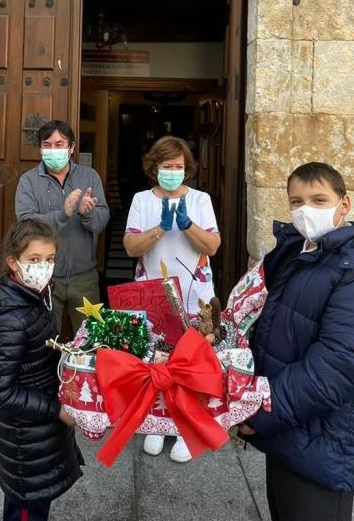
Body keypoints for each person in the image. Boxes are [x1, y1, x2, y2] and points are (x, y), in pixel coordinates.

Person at [238, 162, 354, 521]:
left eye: (319, 199)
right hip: (290, 428)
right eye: (296, 201)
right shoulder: (298, 255)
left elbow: (343, 365)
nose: (306, 210)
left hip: (325, 439)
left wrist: (260, 410)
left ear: (344, 204)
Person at [122, 135, 221, 463]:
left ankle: (184, 426)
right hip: (154, 293)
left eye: (179, 167)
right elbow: (130, 247)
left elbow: (212, 246)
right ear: (154, 168)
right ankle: (157, 423)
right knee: (158, 361)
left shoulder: (200, 199)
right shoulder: (141, 200)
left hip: (195, 296)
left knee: (189, 362)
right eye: (167, 166)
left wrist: (187, 224)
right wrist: (160, 229)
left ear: (187, 169)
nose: (173, 172)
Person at [0, 218, 82, 521]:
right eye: (33, 260)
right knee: (26, 509)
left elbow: (35, 353)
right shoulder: (12, 318)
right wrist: (56, 410)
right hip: (26, 438)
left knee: (33, 506)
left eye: (49, 259)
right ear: (13, 262)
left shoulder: (32, 296)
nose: (43, 267)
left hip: (36, 433)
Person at [15, 120, 110, 332]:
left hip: (84, 278)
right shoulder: (28, 181)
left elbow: (101, 222)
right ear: (40, 148)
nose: (53, 150)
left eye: (59, 144)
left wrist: (87, 214)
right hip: (42, 279)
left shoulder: (89, 176)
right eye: (47, 145)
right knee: (44, 344)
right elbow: (26, 226)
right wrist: (63, 214)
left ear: (72, 148)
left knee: (90, 343)